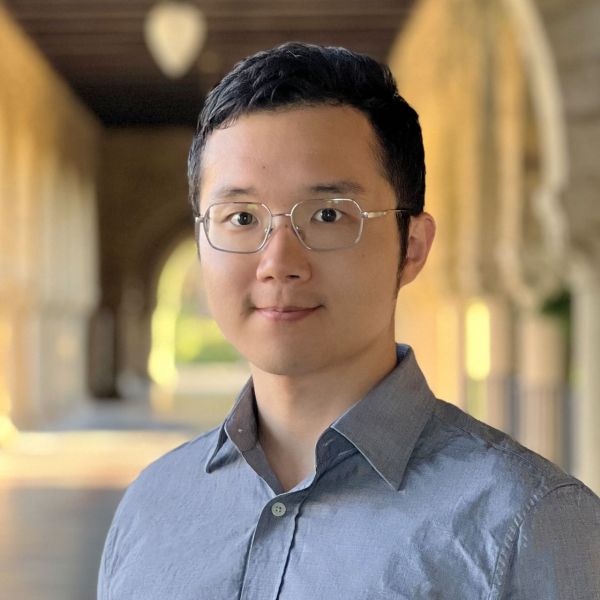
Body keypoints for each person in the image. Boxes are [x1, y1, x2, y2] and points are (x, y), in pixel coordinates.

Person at [98, 42, 600, 599]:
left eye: (330, 215)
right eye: (241, 217)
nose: (279, 263)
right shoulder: (152, 506)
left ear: (412, 246)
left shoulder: (529, 523)